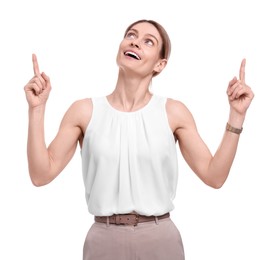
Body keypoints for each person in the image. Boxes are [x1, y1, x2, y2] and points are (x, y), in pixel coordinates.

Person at [24, 19, 254, 260]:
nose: (134, 41)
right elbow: (41, 175)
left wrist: (236, 116)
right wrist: (36, 109)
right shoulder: (84, 111)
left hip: (160, 240)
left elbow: (214, 176)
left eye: (148, 41)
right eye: (131, 35)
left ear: (160, 64)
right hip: (103, 239)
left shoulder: (173, 112)